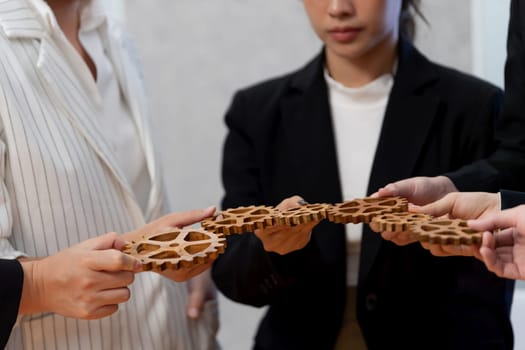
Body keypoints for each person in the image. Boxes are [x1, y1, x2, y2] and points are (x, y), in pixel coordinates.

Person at [211, 0, 525, 349]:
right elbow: (231, 271)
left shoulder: (476, 107)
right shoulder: (256, 113)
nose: (338, 8)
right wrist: (271, 249)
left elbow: (498, 248)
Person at [0, 0, 219, 349]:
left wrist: (182, 260)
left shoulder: (112, 35)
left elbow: (130, 195)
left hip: (171, 333)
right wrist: (41, 284)